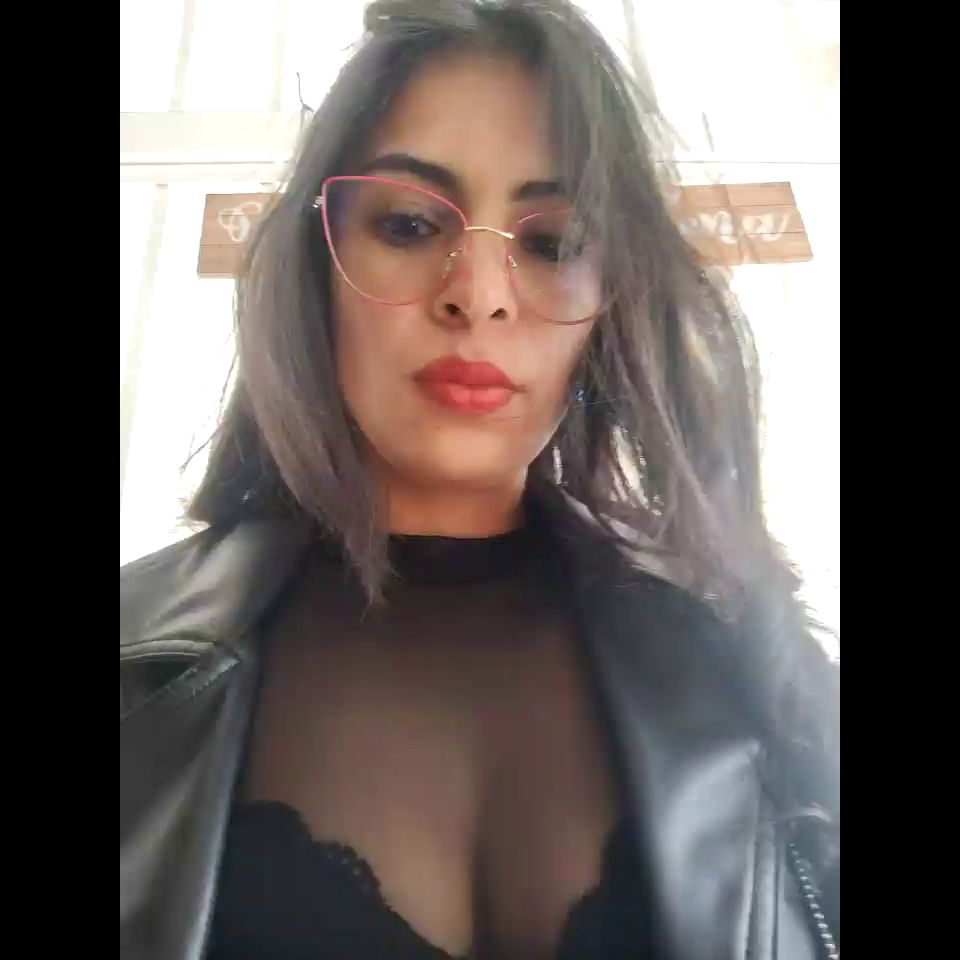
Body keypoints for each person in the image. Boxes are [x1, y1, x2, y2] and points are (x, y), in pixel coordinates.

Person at [120, 1, 840, 958]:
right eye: (410, 223)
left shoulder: (752, 666)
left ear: (610, 301)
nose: (480, 294)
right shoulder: (139, 674)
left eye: (553, 244)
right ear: (316, 262)